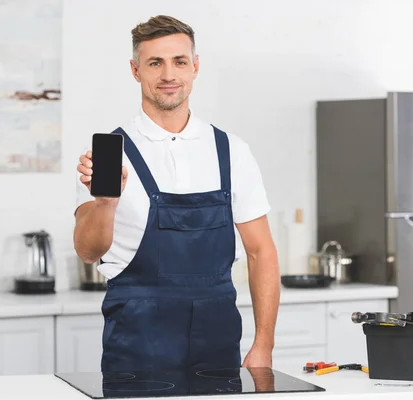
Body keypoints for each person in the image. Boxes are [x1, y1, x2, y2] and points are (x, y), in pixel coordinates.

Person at [73, 15, 280, 372]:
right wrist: (106, 203)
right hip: (136, 351)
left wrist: (263, 345)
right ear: (136, 70)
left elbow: (261, 252)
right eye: (155, 63)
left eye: (179, 62)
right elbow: (88, 252)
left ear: (195, 67)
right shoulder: (109, 154)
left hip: (218, 348)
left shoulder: (232, 151)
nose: (169, 75)